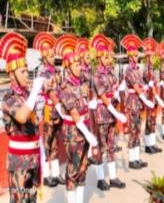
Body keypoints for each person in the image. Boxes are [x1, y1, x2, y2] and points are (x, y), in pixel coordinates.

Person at [0, 32, 46, 202]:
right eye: (22, 71)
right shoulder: (8, 99)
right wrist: (35, 91)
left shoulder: (28, 97)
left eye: (27, 70)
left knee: (32, 200)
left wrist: (42, 155)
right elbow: (21, 116)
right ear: (12, 75)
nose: (27, 74)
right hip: (19, 163)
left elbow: (35, 126)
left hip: (33, 158)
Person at [55, 34, 99, 203]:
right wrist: (89, 135)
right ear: (67, 66)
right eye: (75, 64)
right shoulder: (66, 86)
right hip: (73, 133)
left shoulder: (81, 82)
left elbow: (90, 87)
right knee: (73, 170)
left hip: (85, 128)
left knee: (83, 168)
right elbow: (74, 113)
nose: (78, 67)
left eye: (79, 63)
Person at [91, 34, 127, 191]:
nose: (109, 59)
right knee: (101, 147)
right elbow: (103, 97)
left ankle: (112, 177)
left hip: (111, 113)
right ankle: (100, 178)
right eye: (106, 56)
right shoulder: (96, 75)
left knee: (112, 146)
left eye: (109, 56)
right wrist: (115, 112)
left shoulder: (111, 73)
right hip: (102, 115)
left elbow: (113, 91)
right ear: (99, 58)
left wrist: (119, 91)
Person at [33, 32, 65, 187]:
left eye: (53, 55)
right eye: (50, 56)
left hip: (58, 109)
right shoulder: (41, 72)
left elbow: (61, 87)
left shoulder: (57, 71)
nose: (53, 58)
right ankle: (46, 175)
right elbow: (46, 89)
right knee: (47, 142)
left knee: (56, 142)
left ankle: (56, 173)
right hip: (47, 109)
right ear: (44, 58)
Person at [121, 34, 154, 169]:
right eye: (133, 56)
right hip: (133, 102)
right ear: (129, 56)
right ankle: (131, 159)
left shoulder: (138, 69)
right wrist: (146, 100)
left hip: (138, 102)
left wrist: (146, 88)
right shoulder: (129, 70)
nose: (135, 58)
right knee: (133, 130)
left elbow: (141, 84)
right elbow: (135, 87)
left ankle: (137, 157)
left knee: (138, 130)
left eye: (136, 56)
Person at [143, 38, 164, 154]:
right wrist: (156, 97)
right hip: (149, 98)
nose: (152, 58)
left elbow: (155, 83)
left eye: (152, 56)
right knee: (149, 121)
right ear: (147, 57)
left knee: (153, 120)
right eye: (150, 56)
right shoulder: (146, 69)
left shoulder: (153, 68)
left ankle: (152, 143)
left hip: (154, 97)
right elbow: (149, 85)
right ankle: (148, 145)